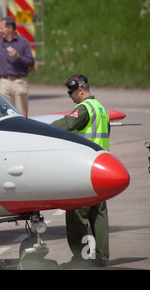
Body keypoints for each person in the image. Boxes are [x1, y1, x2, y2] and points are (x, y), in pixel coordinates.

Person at [51, 74, 110, 268]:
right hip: (102, 169)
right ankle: (101, 257)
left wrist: (40, 128)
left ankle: (80, 260)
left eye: (71, 92)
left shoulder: (84, 109)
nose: (69, 96)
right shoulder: (101, 108)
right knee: (98, 215)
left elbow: (66, 125)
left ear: (81, 90)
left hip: (83, 171)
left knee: (77, 216)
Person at [0, 17, 34, 116]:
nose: (0, 30)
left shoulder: (23, 43)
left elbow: (31, 63)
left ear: (10, 28)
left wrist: (17, 57)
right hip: (4, 83)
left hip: (19, 82)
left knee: (21, 115)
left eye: (2, 28)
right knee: (5, 115)